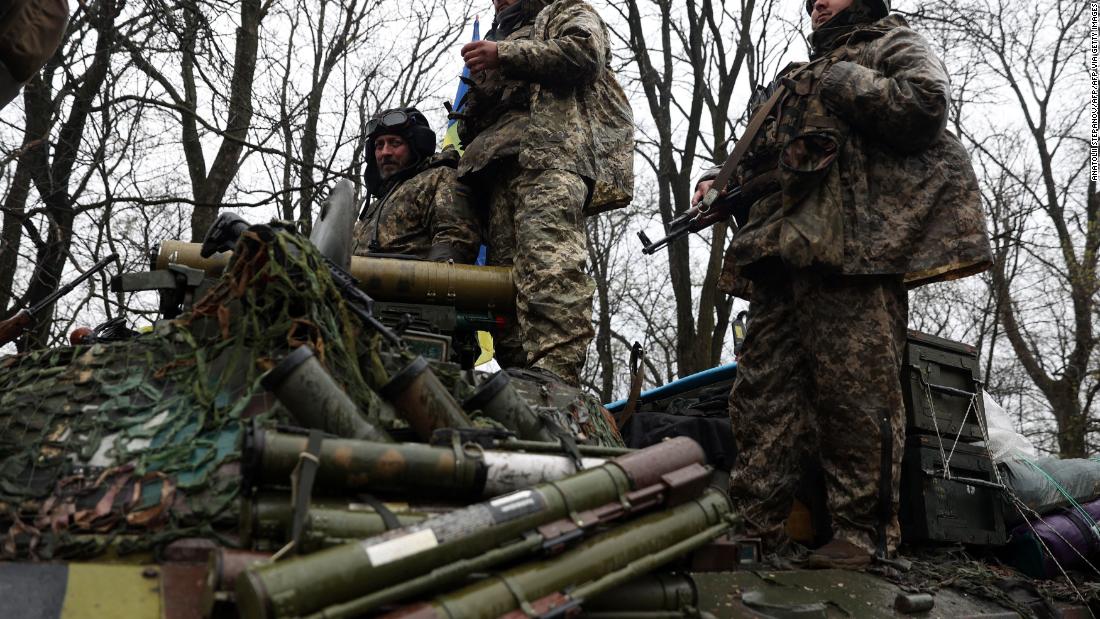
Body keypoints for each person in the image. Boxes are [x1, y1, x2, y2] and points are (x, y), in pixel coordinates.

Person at [694, 0, 992, 567]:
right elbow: (763, 157)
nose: (814, 6)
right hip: (779, 253)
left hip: (856, 253)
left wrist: (843, 77)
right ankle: (755, 528)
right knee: (761, 394)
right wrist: (718, 181)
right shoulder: (791, 81)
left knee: (857, 396)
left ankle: (863, 534)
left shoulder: (890, 44)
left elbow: (924, 106)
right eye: (806, 2)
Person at [456, 0, 633, 386]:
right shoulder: (497, 38)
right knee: (506, 287)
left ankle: (555, 382)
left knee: (549, 269)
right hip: (498, 171)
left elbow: (584, 54)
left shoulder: (563, 12)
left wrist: (504, 53)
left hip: (549, 158)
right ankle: (522, 382)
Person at [353, 106, 481, 263]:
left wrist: (432, 284)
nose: (385, 152)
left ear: (416, 146)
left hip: (411, 284)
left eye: (395, 143)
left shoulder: (438, 178)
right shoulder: (373, 208)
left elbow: (456, 240)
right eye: (379, 145)